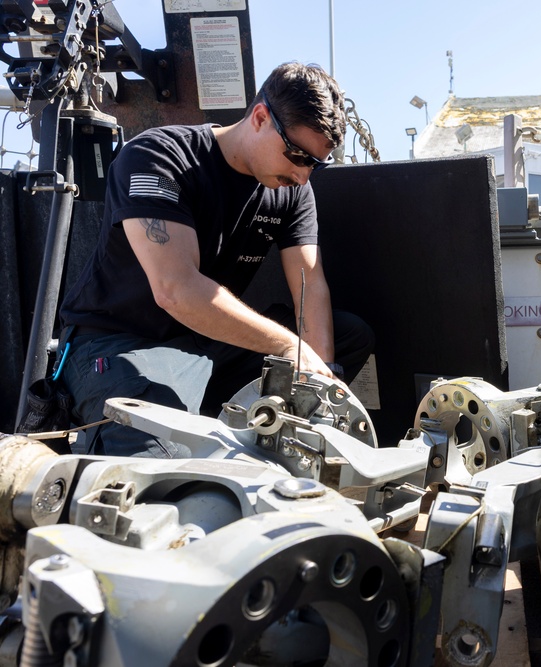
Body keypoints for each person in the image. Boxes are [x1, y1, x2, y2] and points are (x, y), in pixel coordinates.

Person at [57, 62, 374, 458]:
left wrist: (322, 379)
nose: (302, 175)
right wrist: (289, 347)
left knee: (347, 337)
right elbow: (177, 291)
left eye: (314, 163)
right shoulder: (159, 157)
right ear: (260, 117)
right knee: (165, 469)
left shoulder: (293, 189)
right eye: (295, 154)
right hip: (119, 343)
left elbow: (311, 283)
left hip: (206, 345)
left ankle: (223, 426)